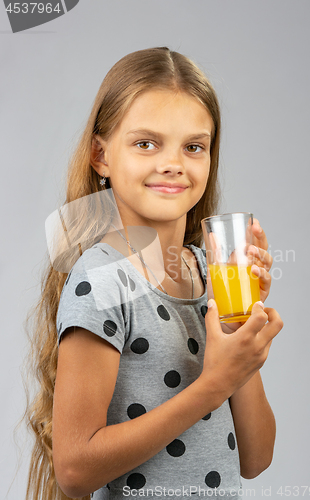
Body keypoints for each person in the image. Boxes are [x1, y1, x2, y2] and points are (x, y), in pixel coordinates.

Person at [25, 47, 283, 500]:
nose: (173, 163)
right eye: (146, 143)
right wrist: (214, 384)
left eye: (194, 146)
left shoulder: (210, 273)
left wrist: (239, 325)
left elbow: (256, 457)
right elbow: (73, 470)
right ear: (101, 156)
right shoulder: (101, 280)